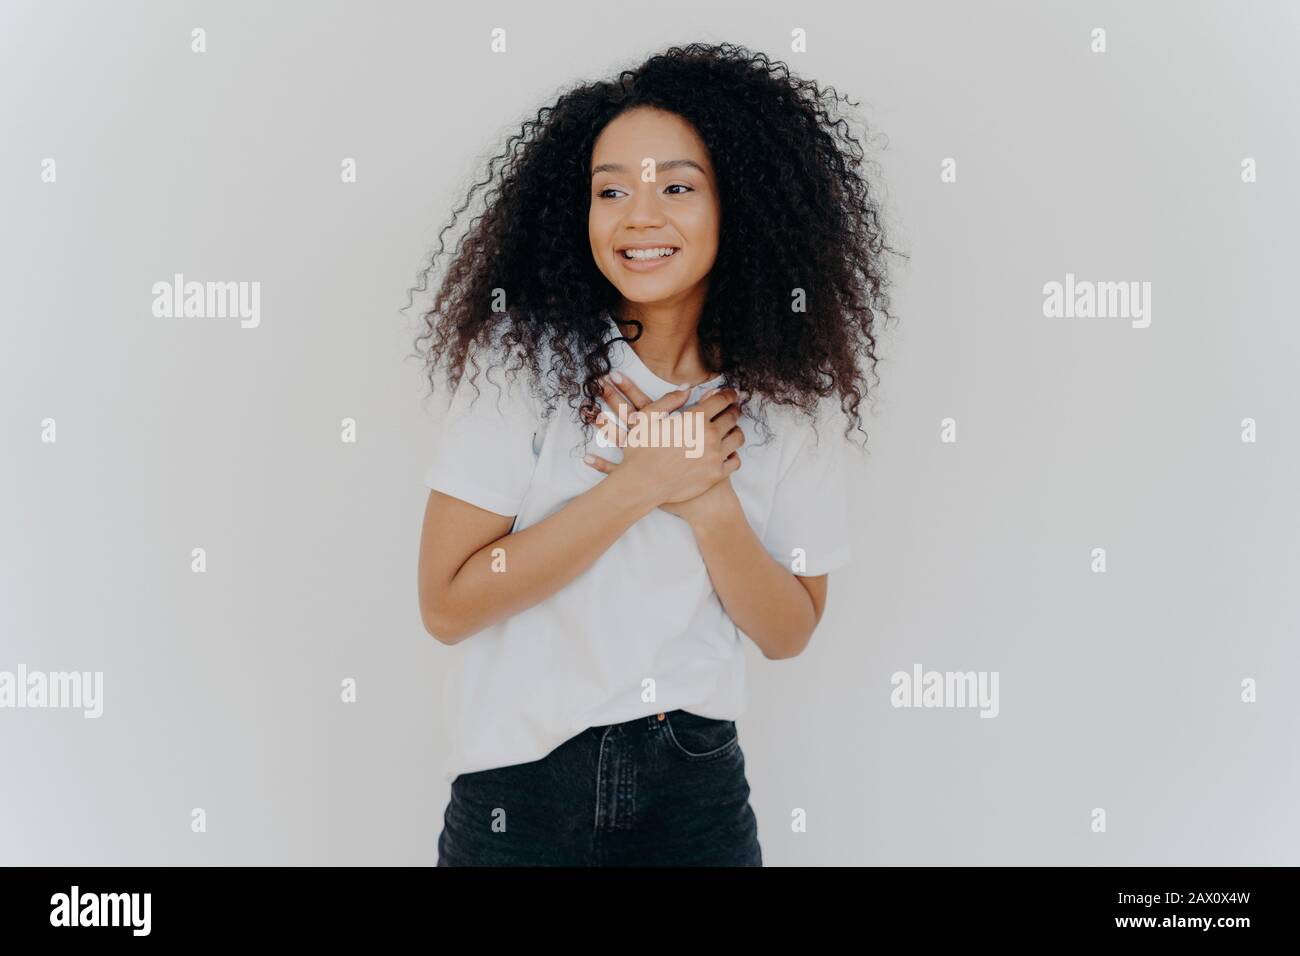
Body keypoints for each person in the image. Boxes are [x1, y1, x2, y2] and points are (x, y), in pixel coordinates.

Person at [413, 41, 898, 866]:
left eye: (677, 186)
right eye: (611, 190)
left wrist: (710, 506)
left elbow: (789, 632)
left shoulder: (787, 400)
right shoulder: (523, 365)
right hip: (522, 793)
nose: (639, 215)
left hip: (696, 787)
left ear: (737, 205)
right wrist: (642, 484)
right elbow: (450, 604)